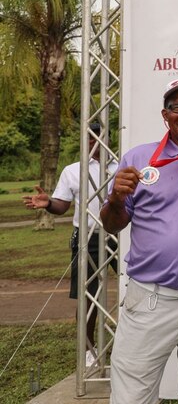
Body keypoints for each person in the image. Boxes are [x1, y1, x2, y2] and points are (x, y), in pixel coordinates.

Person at [100, 78, 178, 404]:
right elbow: (112, 225)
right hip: (151, 298)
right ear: (165, 114)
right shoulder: (138, 158)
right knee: (131, 397)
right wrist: (115, 198)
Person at [22, 122, 118, 366]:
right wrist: (48, 204)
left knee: (135, 286)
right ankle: (88, 349)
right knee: (88, 295)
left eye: (98, 136)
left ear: (108, 138)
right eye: (89, 138)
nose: (94, 142)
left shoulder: (121, 166)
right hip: (88, 238)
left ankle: (129, 344)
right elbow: (62, 205)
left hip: (122, 236)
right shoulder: (73, 170)